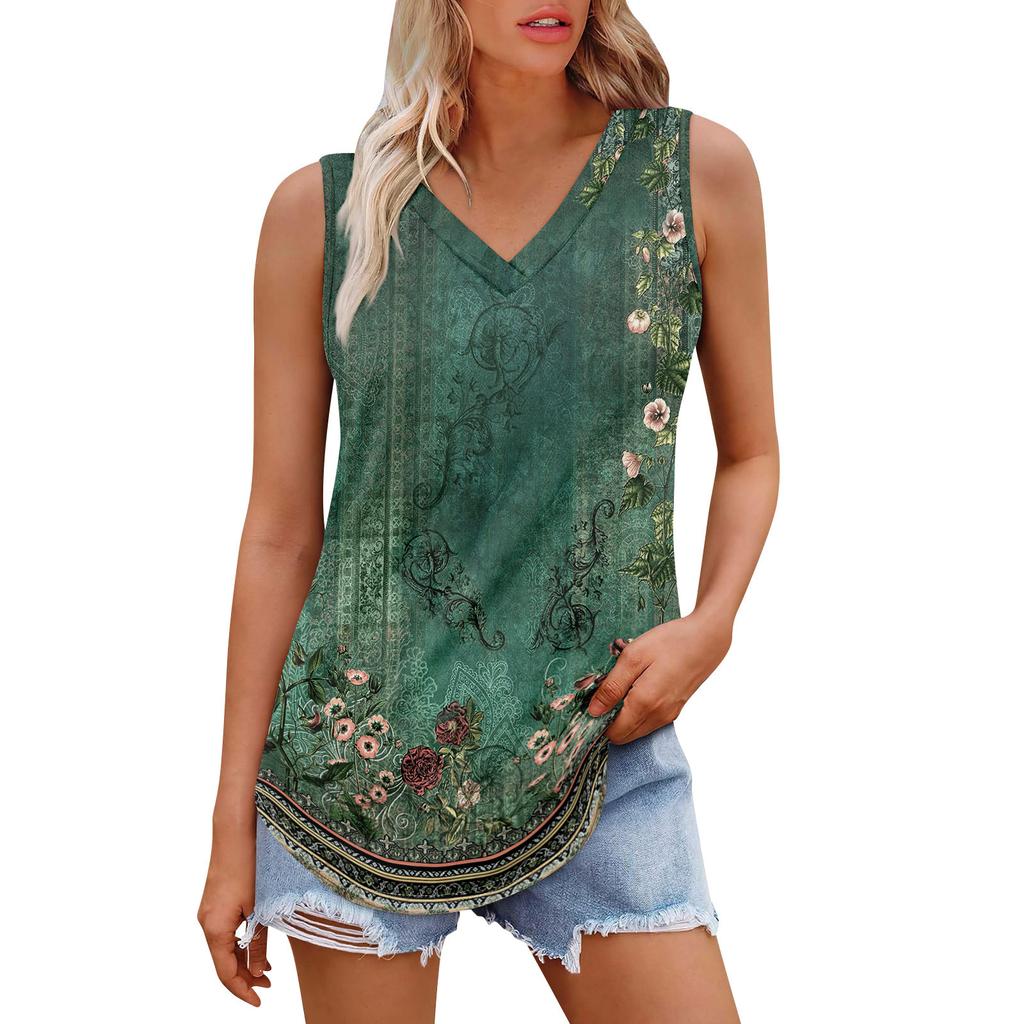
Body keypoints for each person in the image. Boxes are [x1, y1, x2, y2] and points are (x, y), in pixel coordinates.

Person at [198, 2, 777, 1021]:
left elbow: (753, 454)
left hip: (602, 741)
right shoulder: (326, 213)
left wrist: (712, 624)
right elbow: (281, 534)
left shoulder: (689, 176)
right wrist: (228, 827)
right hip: (351, 771)